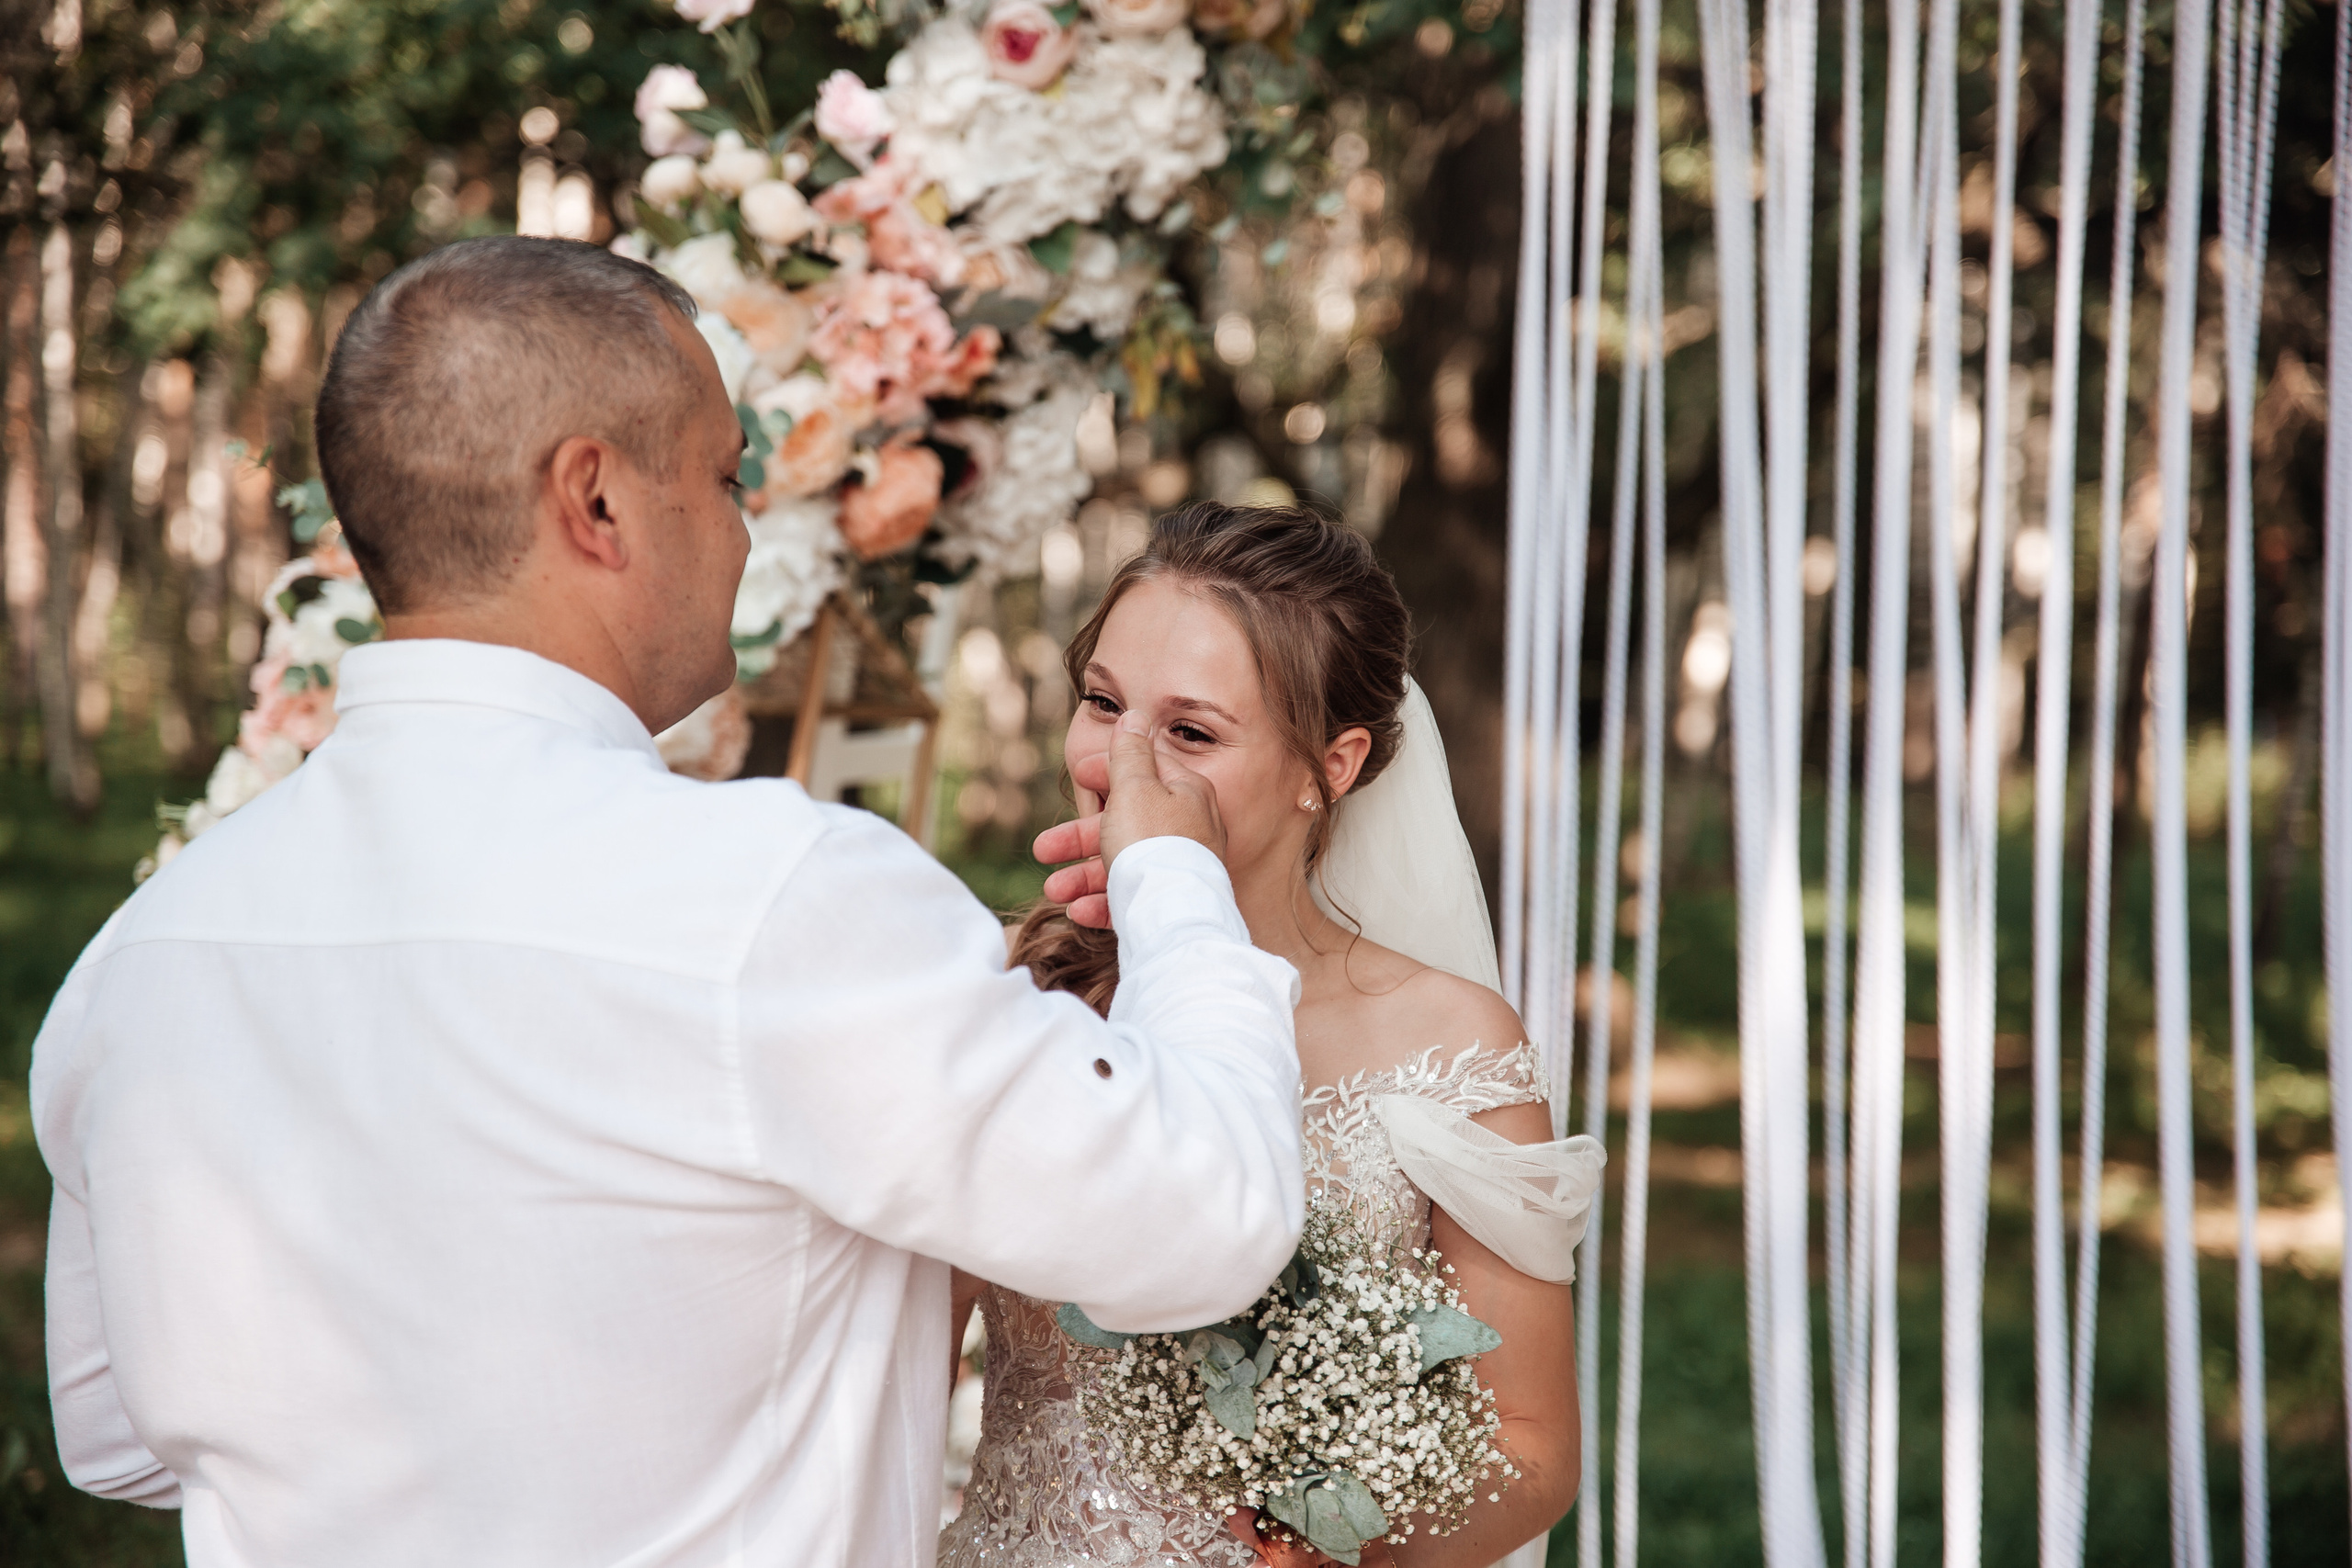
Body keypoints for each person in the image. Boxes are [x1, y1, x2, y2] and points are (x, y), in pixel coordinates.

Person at [29, 237, 1309, 1568]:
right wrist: (1173, 871)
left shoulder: (142, 956)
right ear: (596, 501)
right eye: (725, 473)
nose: (746, 524)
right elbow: (1206, 1213)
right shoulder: (774, 901)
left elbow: (114, 1436)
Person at [937, 504, 1604, 1568]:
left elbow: (1530, 1447)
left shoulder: (1446, 1043)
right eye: (1102, 702)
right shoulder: (1008, 998)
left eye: (1192, 733)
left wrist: (1346, 1550)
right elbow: (889, 1370)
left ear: (1329, 767)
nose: (1122, 765)